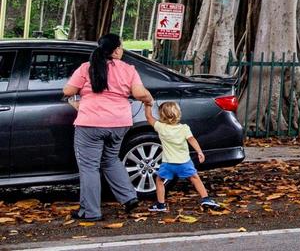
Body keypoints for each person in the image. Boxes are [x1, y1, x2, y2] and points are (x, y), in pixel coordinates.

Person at [62, 33, 154, 221]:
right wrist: (148, 99)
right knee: (111, 159)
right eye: (120, 47)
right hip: (119, 123)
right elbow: (138, 93)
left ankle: (91, 212)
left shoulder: (87, 68)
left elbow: (68, 91)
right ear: (116, 50)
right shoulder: (128, 69)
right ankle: (129, 197)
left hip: (90, 124)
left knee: (89, 167)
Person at [143, 100, 221, 211]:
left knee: (160, 181)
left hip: (168, 163)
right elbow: (192, 139)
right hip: (184, 162)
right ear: (178, 114)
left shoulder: (161, 127)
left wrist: (147, 105)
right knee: (195, 178)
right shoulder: (184, 128)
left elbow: (148, 117)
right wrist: (199, 151)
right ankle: (205, 198)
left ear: (162, 115)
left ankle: (161, 205)